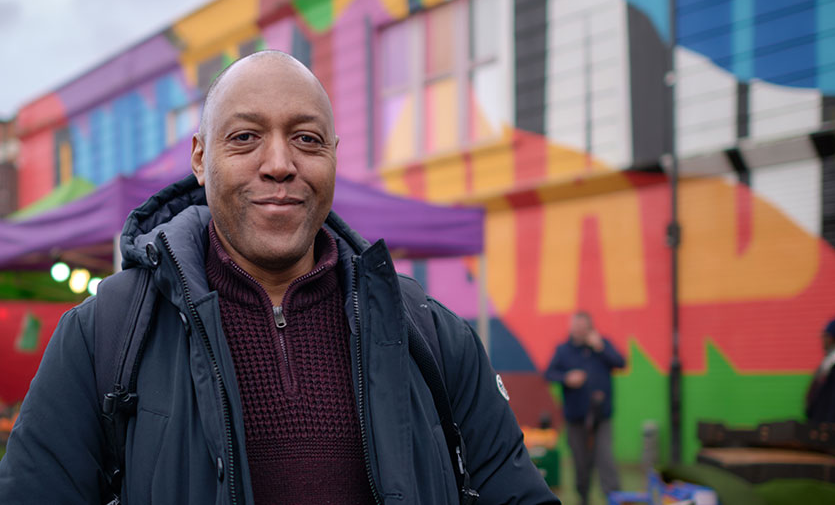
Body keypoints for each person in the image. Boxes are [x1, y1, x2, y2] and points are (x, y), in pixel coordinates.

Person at [0, 51, 558, 505]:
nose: (279, 163)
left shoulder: (430, 335)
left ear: (334, 157)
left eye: (306, 139)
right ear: (199, 157)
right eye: (244, 137)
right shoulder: (105, 334)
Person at [545, 311, 625, 505]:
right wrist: (566, 378)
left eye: (584, 327)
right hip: (575, 417)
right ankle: (583, 498)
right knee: (581, 463)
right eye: (576, 327)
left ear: (590, 328)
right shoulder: (563, 350)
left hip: (601, 415)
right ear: (571, 327)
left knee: (605, 459)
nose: (580, 331)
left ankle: (614, 498)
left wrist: (601, 347)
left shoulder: (601, 345)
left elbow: (620, 363)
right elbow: (548, 373)